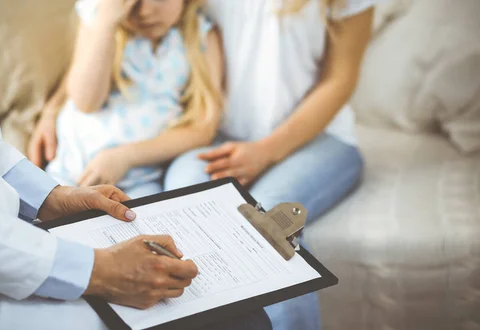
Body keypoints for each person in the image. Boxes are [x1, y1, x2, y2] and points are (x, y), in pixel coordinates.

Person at [0, 0, 271, 329]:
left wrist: (52, 195)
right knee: (230, 320)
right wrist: (100, 271)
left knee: (245, 313)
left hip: (1, 241)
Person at [28, 0, 377, 329]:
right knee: (185, 202)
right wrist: (53, 110)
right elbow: (96, 48)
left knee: (267, 220)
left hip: (316, 140)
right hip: (221, 141)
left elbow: (340, 78)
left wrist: (266, 151)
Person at [37, 0, 223, 199]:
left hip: (141, 179)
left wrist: (126, 157)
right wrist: (106, 24)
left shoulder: (201, 35)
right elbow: (86, 102)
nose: (144, 11)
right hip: (71, 171)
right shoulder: (99, 19)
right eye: (132, 1)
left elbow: (203, 129)